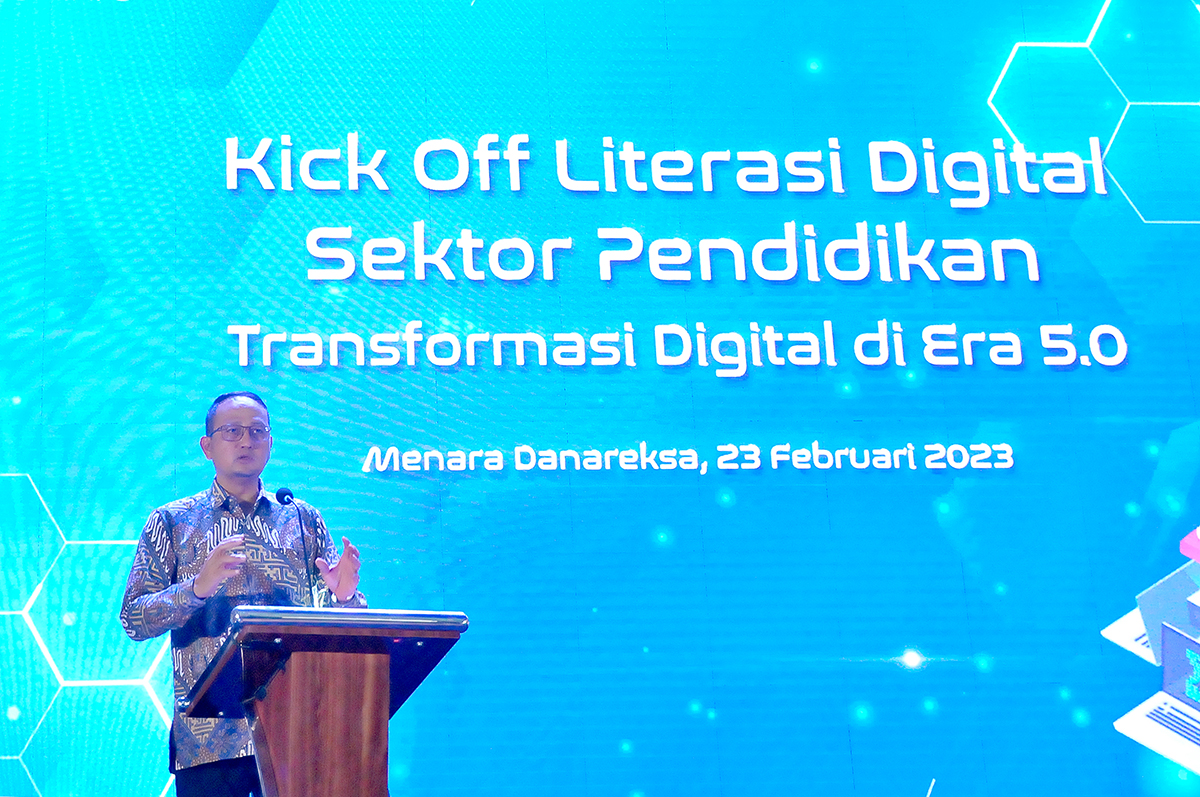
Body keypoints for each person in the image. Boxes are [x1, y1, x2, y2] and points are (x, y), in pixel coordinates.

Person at [120, 392, 365, 797]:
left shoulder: (301, 518)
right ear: (207, 447)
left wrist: (343, 598)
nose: (246, 441)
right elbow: (134, 618)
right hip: (210, 741)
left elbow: (335, 626)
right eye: (232, 431)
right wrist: (196, 588)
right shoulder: (173, 521)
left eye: (257, 431)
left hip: (298, 732)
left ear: (270, 443)